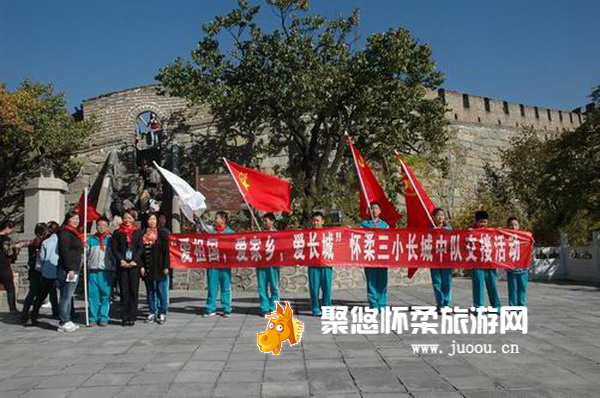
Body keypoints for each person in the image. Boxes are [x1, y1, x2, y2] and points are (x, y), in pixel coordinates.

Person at [112, 210, 144, 326]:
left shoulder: (138, 232)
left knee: (133, 291)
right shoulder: (117, 233)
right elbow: (115, 249)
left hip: (134, 265)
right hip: (122, 265)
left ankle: (132, 315)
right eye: (125, 218)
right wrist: (121, 260)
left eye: (130, 218)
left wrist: (135, 260)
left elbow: (140, 248)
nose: (127, 220)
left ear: (134, 219)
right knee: (124, 291)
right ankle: (124, 316)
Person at [56, 212, 85, 332]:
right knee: (66, 296)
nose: (76, 221)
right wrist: (70, 269)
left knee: (68, 295)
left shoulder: (74, 233)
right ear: (67, 219)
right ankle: (64, 321)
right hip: (68, 269)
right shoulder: (65, 233)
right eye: (73, 219)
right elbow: (65, 252)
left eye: (77, 219)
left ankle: (67, 318)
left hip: (74, 267)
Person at [358, 202, 390, 310]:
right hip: (369, 256)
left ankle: (382, 303)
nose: (374, 210)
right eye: (372, 208)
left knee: (382, 279)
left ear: (380, 211)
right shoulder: (364, 224)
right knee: (371, 280)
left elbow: (390, 238)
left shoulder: (385, 225)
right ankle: (373, 303)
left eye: (376, 208)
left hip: (382, 256)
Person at [86, 217, 116, 327]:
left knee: (105, 295)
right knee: (93, 295)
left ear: (107, 226)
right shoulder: (91, 240)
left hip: (106, 271)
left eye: (104, 225)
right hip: (93, 270)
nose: (101, 227)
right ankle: (93, 317)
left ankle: (103, 317)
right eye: (99, 225)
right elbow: (85, 255)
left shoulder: (111, 240)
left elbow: (114, 255)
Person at [204, 211, 234, 318]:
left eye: (217, 218)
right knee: (212, 286)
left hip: (225, 264)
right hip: (212, 263)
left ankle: (226, 308)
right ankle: (210, 308)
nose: (215, 220)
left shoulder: (230, 233)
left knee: (225, 287)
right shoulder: (210, 231)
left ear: (223, 220)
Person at [141, 213, 170, 324]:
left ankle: (162, 312)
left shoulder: (162, 233)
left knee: (161, 291)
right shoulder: (142, 234)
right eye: (150, 219)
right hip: (148, 266)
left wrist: (166, 266)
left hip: (160, 267)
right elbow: (140, 251)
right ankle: (152, 311)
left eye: (154, 219)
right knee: (150, 291)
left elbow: (166, 252)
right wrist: (142, 265)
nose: (152, 221)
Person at [30, 221, 61, 324]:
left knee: (42, 294)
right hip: (58, 269)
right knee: (59, 293)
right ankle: (57, 312)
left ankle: (34, 314)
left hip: (47, 271)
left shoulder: (45, 242)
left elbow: (42, 257)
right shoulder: (60, 240)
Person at [21, 223, 51, 325]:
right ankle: (33, 315)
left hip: (34, 271)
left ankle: (25, 314)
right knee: (40, 295)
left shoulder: (33, 242)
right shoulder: (41, 243)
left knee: (32, 294)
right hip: (40, 271)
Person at [471, 211, 502, 310]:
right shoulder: (471, 232)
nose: (483, 224)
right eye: (481, 222)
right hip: (477, 263)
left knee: (492, 285)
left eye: (485, 222)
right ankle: (479, 307)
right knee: (478, 285)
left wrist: (500, 231)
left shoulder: (491, 232)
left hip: (489, 263)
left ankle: (496, 306)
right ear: (476, 222)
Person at [307, 211, 333, 317]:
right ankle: (315, 308)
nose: (315, 223)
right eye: (314, 220)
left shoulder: (329, 234)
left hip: (326, 265)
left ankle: (327, 309)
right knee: (314, 288)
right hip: (313, 265)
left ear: (323, 222)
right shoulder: (307, 234)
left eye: (318, 221)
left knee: (327, 288)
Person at [256, 212, 280, 316]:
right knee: (262, 287)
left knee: (274, 287)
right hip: (261, 264)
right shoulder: (259, 234)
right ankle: (264, 307)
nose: (264, 223)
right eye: (263, 221)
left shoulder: (278, 235)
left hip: (273, 264)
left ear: (272, 221)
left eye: (266, 221)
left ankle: (274, 307)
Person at [430, 208, 453, 311]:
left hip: (447, 259)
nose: (440, 217)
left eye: (442, 215)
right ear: (433, 218)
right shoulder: (430, 230)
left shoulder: (449, 229)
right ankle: (440, 304)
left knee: (447, 282)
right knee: (437, 283)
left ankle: (446, 303)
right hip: (434, 260)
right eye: (438, 215)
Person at [506, 217, 528, 307]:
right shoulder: (504, 237)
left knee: (522, 288)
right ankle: (512, 307)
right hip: (511, 269)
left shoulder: (524, 237)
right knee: (512, 289)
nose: (513, 226)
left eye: (515, 224)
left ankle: (522, 306)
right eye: (511, 224)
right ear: (507, 226)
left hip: (523, 268)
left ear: (518, 226)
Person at [0, 220, 19, 314]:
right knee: (10, 287)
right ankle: (12, 308)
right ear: (7, 227)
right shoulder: (6, 240)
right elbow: (9, 253)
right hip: (3, 266)